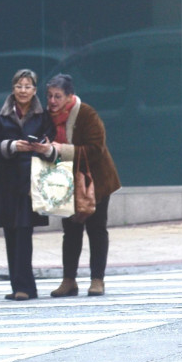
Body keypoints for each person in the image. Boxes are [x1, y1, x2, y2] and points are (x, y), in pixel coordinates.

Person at [45, 74, 121, 297]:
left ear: (69, 96)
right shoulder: (47, 117)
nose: (52, 101)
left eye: (57, 96)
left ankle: (97, 279)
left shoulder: (86, 113)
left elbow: (96, 148)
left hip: (95, 180)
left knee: (96, 229)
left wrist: (62, 150)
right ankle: (69, 280)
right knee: (70, 231)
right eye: (49, 96)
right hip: (65, 180)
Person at [0, 69, 56, 301]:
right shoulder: (1, 115)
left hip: (32, 180)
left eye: (28, 86)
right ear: (13, 89)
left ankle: (26, 287)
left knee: (24, 232)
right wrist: (13, 145)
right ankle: (18, 286)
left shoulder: (42, 116)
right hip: (7, 180)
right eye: (19, 86)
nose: (23, 91)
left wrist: (42, 147)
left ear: (35, 90)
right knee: (11, 233)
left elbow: (51, 142)